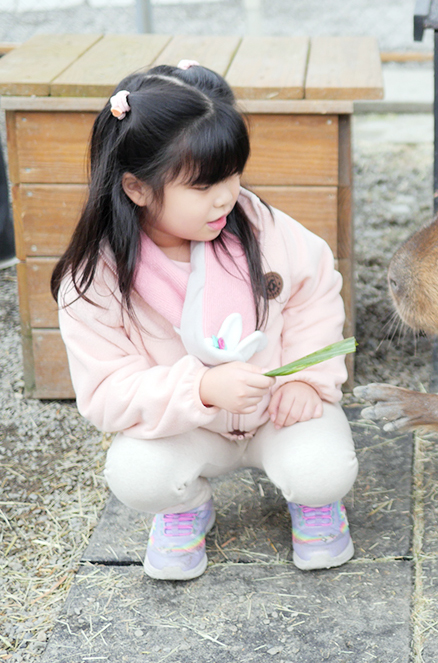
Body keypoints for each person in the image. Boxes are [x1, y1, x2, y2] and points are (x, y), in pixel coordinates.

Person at [51, 63, 358, 581]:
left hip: (274, 411)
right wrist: (204, 387)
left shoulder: (260, 225)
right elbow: (106, 392)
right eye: (204, 185)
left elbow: (315, 290)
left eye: (233, 174)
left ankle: (312, 502)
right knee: (136, 475)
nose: (226, 196)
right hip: (187, 425)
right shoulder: (96, 278)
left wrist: (306, 379)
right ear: (137, 188)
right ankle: (186, 505)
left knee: (324, 472)